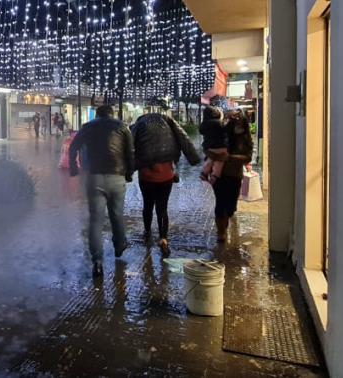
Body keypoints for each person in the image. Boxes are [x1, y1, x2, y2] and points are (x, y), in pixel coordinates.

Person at [68, 105, 135, 277]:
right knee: (117, 215)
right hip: (117, 177)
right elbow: (130, 152)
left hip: (94, 177)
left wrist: (74, 169)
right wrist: (129, 173)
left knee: (96, 221)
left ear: (97, 115)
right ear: (112, 114)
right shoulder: (122, 127)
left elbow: (73, 146)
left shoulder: (88, 127)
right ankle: (119, 247)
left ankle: (97, 262)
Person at [130, 112, 201, 256]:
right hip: (166, 175)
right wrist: (193, 158)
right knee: (162, 208)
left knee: (147, 205)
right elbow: (183, 138)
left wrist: (128, 171)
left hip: (146, 175)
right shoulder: (169, 123)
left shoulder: (138, 125)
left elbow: (129, 147)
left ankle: (147, 232)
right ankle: (163, 239)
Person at [212, 111, 254, 243]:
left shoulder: (246, 139)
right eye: (236, 123)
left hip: (235, 175)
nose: (238, 127)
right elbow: (209, 149)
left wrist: (230, 157)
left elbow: (248, 157)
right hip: (219, 174)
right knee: (220, 203)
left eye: (240, 124)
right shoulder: (223, 136)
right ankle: (221, 232)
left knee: (230, 207)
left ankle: (225, 221)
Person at [199, 106, 227, 184]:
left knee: (210, 159)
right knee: (220, 160)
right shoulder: (221, 123)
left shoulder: (204, 124)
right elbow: (227, 131)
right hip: (221, 148)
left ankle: (204, 173)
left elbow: (201, 131)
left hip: (208, 149)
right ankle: (215, 176)